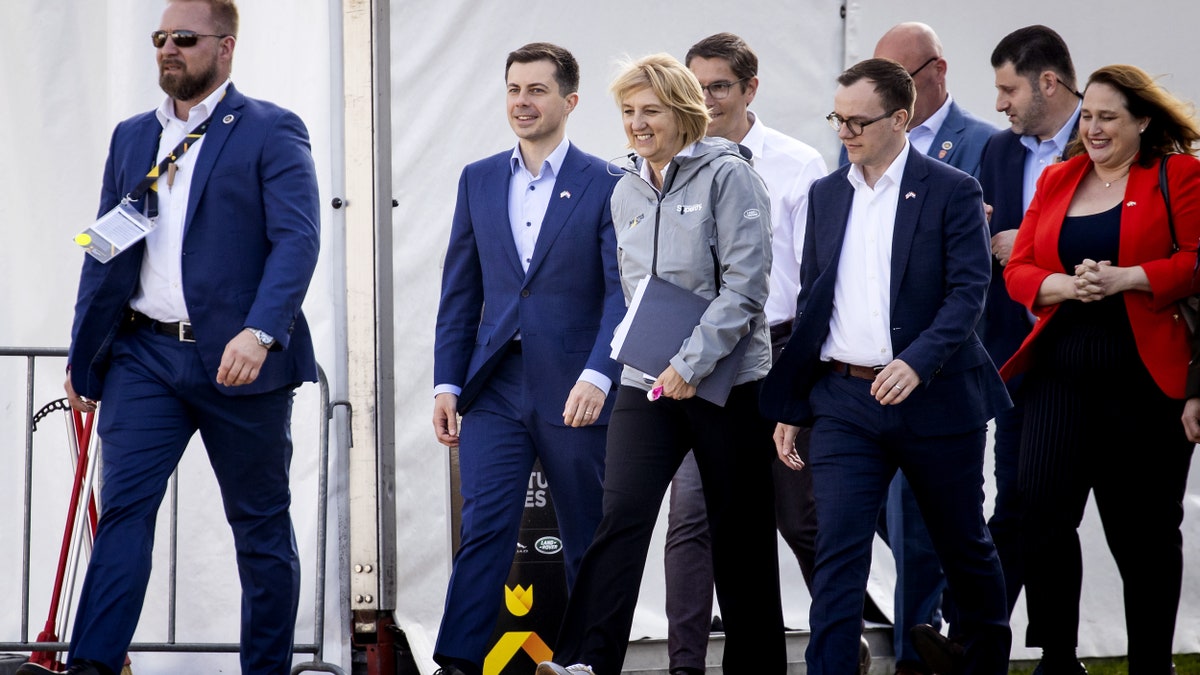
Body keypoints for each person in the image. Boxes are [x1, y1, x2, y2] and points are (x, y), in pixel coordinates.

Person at [19, 1, 321, 674]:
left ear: (227, 46)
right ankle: (93, 665)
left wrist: (262, 331)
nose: (167, 49)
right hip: (143, 356)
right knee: (123, 514)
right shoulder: (133, 137)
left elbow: (298, 241)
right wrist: (83, 357)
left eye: (184, 38)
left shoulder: (271, 129)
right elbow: (105, 251)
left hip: (242, 364)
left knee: (261, 528)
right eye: (159, 38)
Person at [760, 58, 1011, 675]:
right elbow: (815, 303)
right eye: (837, 120)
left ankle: (984, 663)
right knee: (839, 552)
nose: (844, 133)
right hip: (843, 401)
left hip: (937, 399)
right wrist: (795, 404)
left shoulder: (953, 189)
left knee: (963, 547)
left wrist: (917, 362)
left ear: (901, 119)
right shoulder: (824, 195)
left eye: (858, 122)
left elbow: (967, 293)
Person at [536, 53, 784, 675]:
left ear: (681, 111)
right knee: (619, 517)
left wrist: (691, 365)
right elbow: (633, 290)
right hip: (647, 382)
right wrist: (637, 360)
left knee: (739, 537)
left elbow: (746, 288)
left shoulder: (730, 176)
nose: (637, 123)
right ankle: (587, 662)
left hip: (728, 384)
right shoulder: (625, 189)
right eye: (627, 112)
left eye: (650, 110)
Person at [430, 42, 624, 675]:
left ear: (569, 101)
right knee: (485, 524)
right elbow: (461, 289)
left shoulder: (607, 183)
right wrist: (446, 383)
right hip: (494, 386)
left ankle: (587, 663)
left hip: (575, 386)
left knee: (585, 529)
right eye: (514, 88)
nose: (522, 101)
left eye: (536, 90)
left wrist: (601, 372)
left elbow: (621, 293)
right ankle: (458, 660)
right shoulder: (478, 178)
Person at [1000, 64, 1200, 675]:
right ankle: (1058, 659)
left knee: (1142, 534)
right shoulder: (1059, 179)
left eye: (1108, 117)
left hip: (1143, 377)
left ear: (1142, 120)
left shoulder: (1178, 175)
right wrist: (1062, 285)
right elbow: (1019, 268)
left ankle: (1150, 664)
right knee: (1040, 514)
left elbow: (1197, 260)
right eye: (1087, 116)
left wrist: (1129, 278)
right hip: (1060, 371)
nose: (1093, 129)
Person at [662, 32, 827, 675]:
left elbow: (819, 276)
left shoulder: (796, 163)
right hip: (702, 361)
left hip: (781, 356)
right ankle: (684, 665)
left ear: (750, 89)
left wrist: (806, 372)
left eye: (719, 87)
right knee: (691, 520)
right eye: (694, 87)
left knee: (800, 518)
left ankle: (836, 644)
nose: (705, 100)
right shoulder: (672, 163)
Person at [863, 23, 997, 673]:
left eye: (901, 80)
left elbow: (980, 263)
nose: (889, 95)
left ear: (937, 71)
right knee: (885, 509)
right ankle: (934, 623)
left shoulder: (983, 146)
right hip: (869, 360)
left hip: (945, 360)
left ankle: (925, 649)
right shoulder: (864, 142)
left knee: (932, 518)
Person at [977, 25, 1082, 621]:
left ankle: (1046, 648)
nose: (999, 104)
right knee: (1017, 497)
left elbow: (1122, 239)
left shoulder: (1103, 139)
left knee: (1066, 508)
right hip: (1017, 357)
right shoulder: (999, 151)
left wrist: (1034, 244)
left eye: (1007, 88)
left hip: (1091, 352)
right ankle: (978, 635)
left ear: (1047, 81)